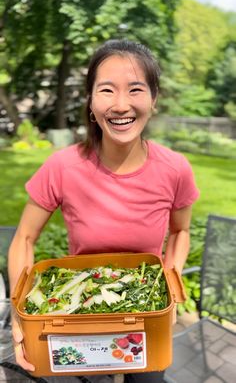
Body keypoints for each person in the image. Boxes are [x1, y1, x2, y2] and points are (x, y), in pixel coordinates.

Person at [8, 39, 199, 383]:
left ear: (153, 101)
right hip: (81, 316)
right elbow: (23, 238)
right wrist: (20, 315)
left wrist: (171, 283)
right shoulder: (62, 166)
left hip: (145, 318)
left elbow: (181, 232)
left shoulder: (175, 169)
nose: (121, 105)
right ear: (92, 104)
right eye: (107, 90)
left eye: (136, 90)